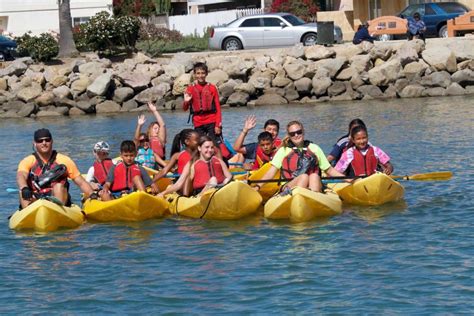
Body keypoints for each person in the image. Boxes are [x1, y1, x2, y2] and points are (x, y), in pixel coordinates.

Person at [253, 121, 346, 193]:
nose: (296, 135)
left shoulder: (314, 148)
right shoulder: (283, 151)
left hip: (312, 185)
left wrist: (348, 179)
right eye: (292, 134)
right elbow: (271, 173)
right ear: (289, 136)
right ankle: (299, 197)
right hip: (288, 187)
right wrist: (258, 186)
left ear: (303, 132)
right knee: (304, 177)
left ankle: (314, 197)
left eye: (299, 132)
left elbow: (329, 170)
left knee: (314, 176)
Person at [17, 128, 93, 209]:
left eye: (47, 140)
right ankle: (28, 213)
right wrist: (24, 187)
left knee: (58, 186)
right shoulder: (28, 160)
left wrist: (92, 194)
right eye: (40, 141)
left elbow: (81, 182)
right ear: (35, 143)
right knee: (22, 192)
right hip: (36, 198)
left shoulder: (64, 160)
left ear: (52, 141)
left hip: (57, 198)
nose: (44, 143)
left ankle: (58, 211)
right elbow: (21, 175)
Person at [158, 135, 233, 197]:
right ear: (199, 148)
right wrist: (163, 193)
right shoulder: (192, 164)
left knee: (226, 180)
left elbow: (230, 178)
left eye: (212, 147)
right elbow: (179, 184)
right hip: (200, 195)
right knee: (213, 180)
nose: (210, 150)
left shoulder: (218, 161)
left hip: (219, 191)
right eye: (207, 147)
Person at [183, 62, 222, 144]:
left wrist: (218, 125)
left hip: (211, 120)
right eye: (198, 73)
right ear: (194, 74)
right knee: (200, 144)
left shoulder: (212, 88)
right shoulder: (190, 89)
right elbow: (184, 108)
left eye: (203, 73)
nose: (200, 76)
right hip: (198, 122)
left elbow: (218, 108)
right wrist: (186, 101)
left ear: (206, 74)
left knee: (214, 144)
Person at [152, 129, 200, 195]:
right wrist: (152, 182)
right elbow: (164, 171)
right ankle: (185, 197)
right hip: (182, 186)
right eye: (197, 140)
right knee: (188, 178)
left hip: (196, 185)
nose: (200, 142)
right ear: (187, 142)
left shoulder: (201, 154)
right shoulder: (177, 155)